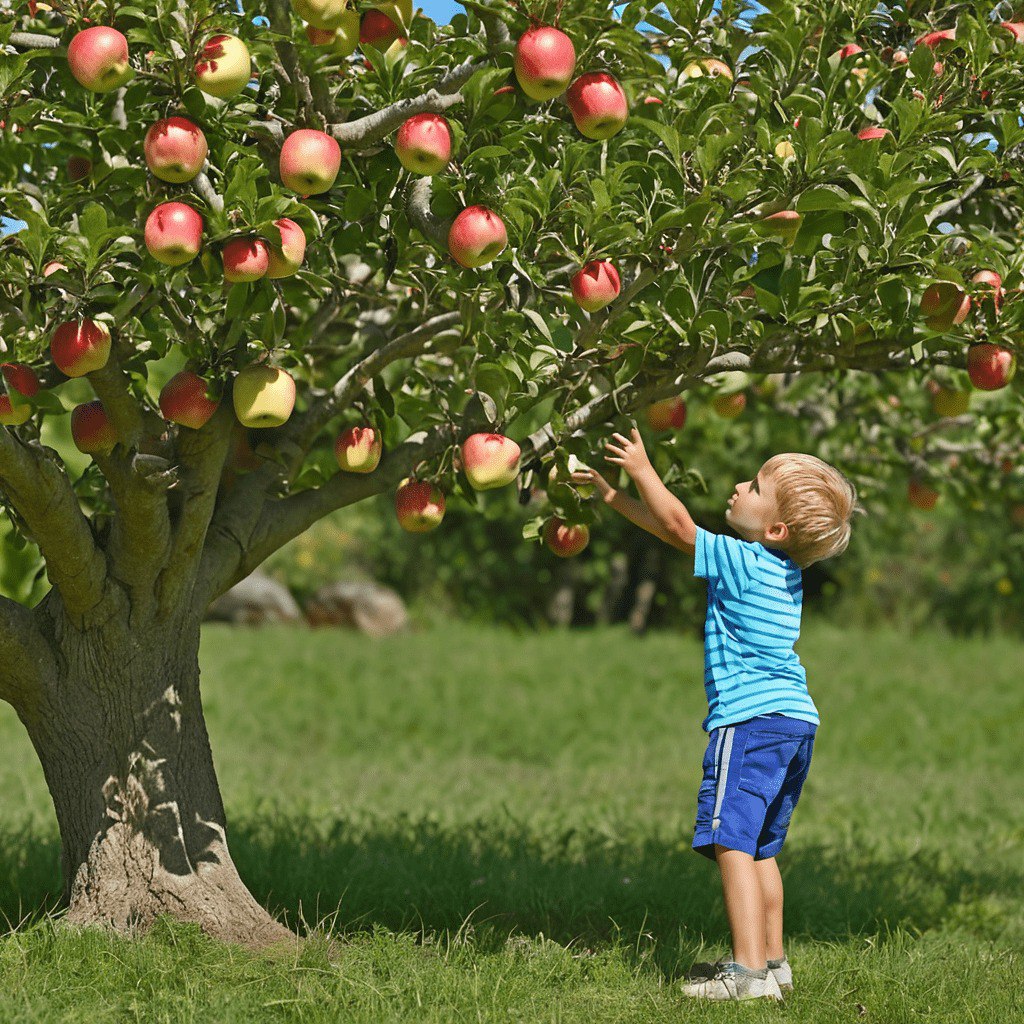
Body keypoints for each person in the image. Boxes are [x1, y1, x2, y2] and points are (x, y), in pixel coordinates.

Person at [572, 427, 862, 1002]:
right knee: (759, 847)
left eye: (754, 487)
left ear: (775, 529)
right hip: (794, 722)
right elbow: (677, 535)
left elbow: (680, 527)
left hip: (750, 722)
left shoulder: (744, 561)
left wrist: (641, 469)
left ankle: (747, 974)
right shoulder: (784, 573)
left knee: (730, 840)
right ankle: (774, 964)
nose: (738, 487)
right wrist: (610, 497)